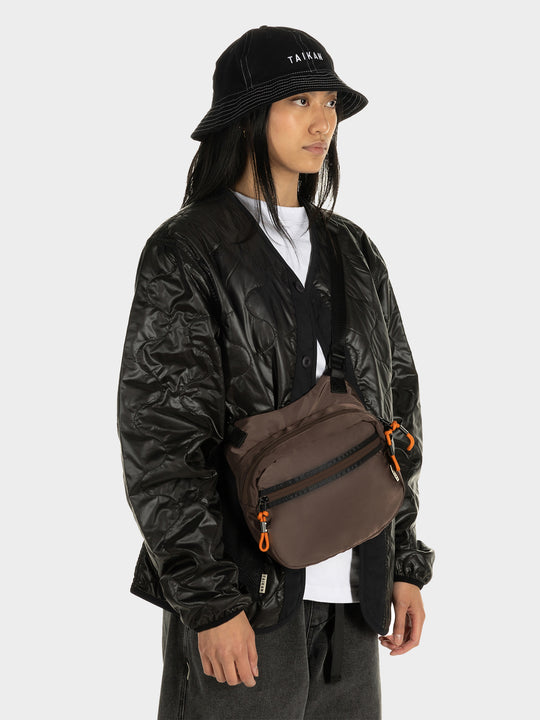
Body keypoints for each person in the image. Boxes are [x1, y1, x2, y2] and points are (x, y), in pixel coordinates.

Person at [117, 25, 434, 720]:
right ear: (246, 116)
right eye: (298, 102)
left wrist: (404, 560)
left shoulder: (353, 249)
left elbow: (397, 409)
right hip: (247, 603)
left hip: (354, 601)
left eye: (329, 103)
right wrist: (209, 603)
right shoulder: (187, 250)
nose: (323, 122)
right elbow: (162, 436)